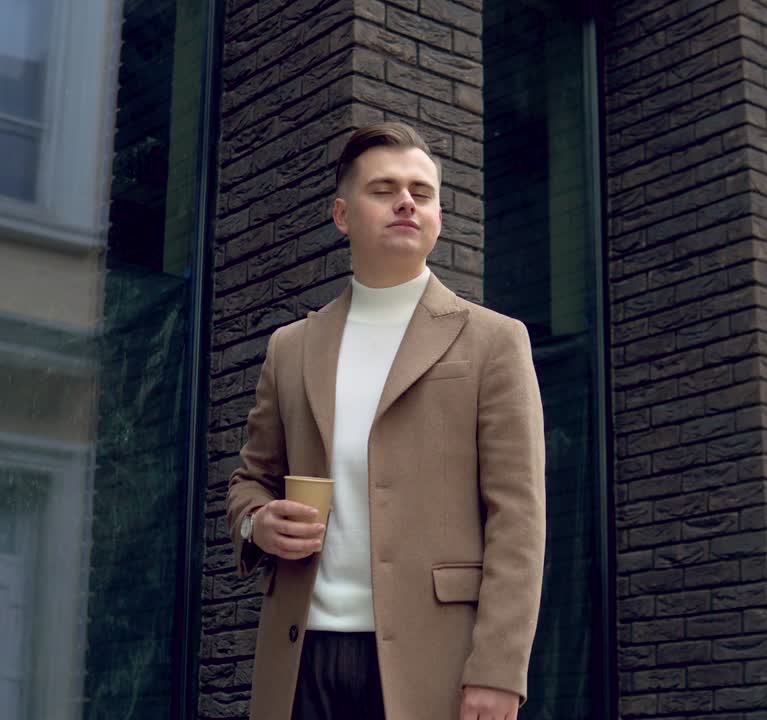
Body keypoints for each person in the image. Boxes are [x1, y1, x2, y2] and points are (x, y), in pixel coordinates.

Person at [226, 121, 546, 720]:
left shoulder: (495, 341)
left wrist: (500, 669)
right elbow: (250, 481)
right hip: (299, 658)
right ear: (342, 215)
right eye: (385, 189)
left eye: (422, 193)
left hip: (435, 663)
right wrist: (257, 524)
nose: (406, 201)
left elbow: (518, 518)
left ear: (439, 218)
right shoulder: (291, 347)